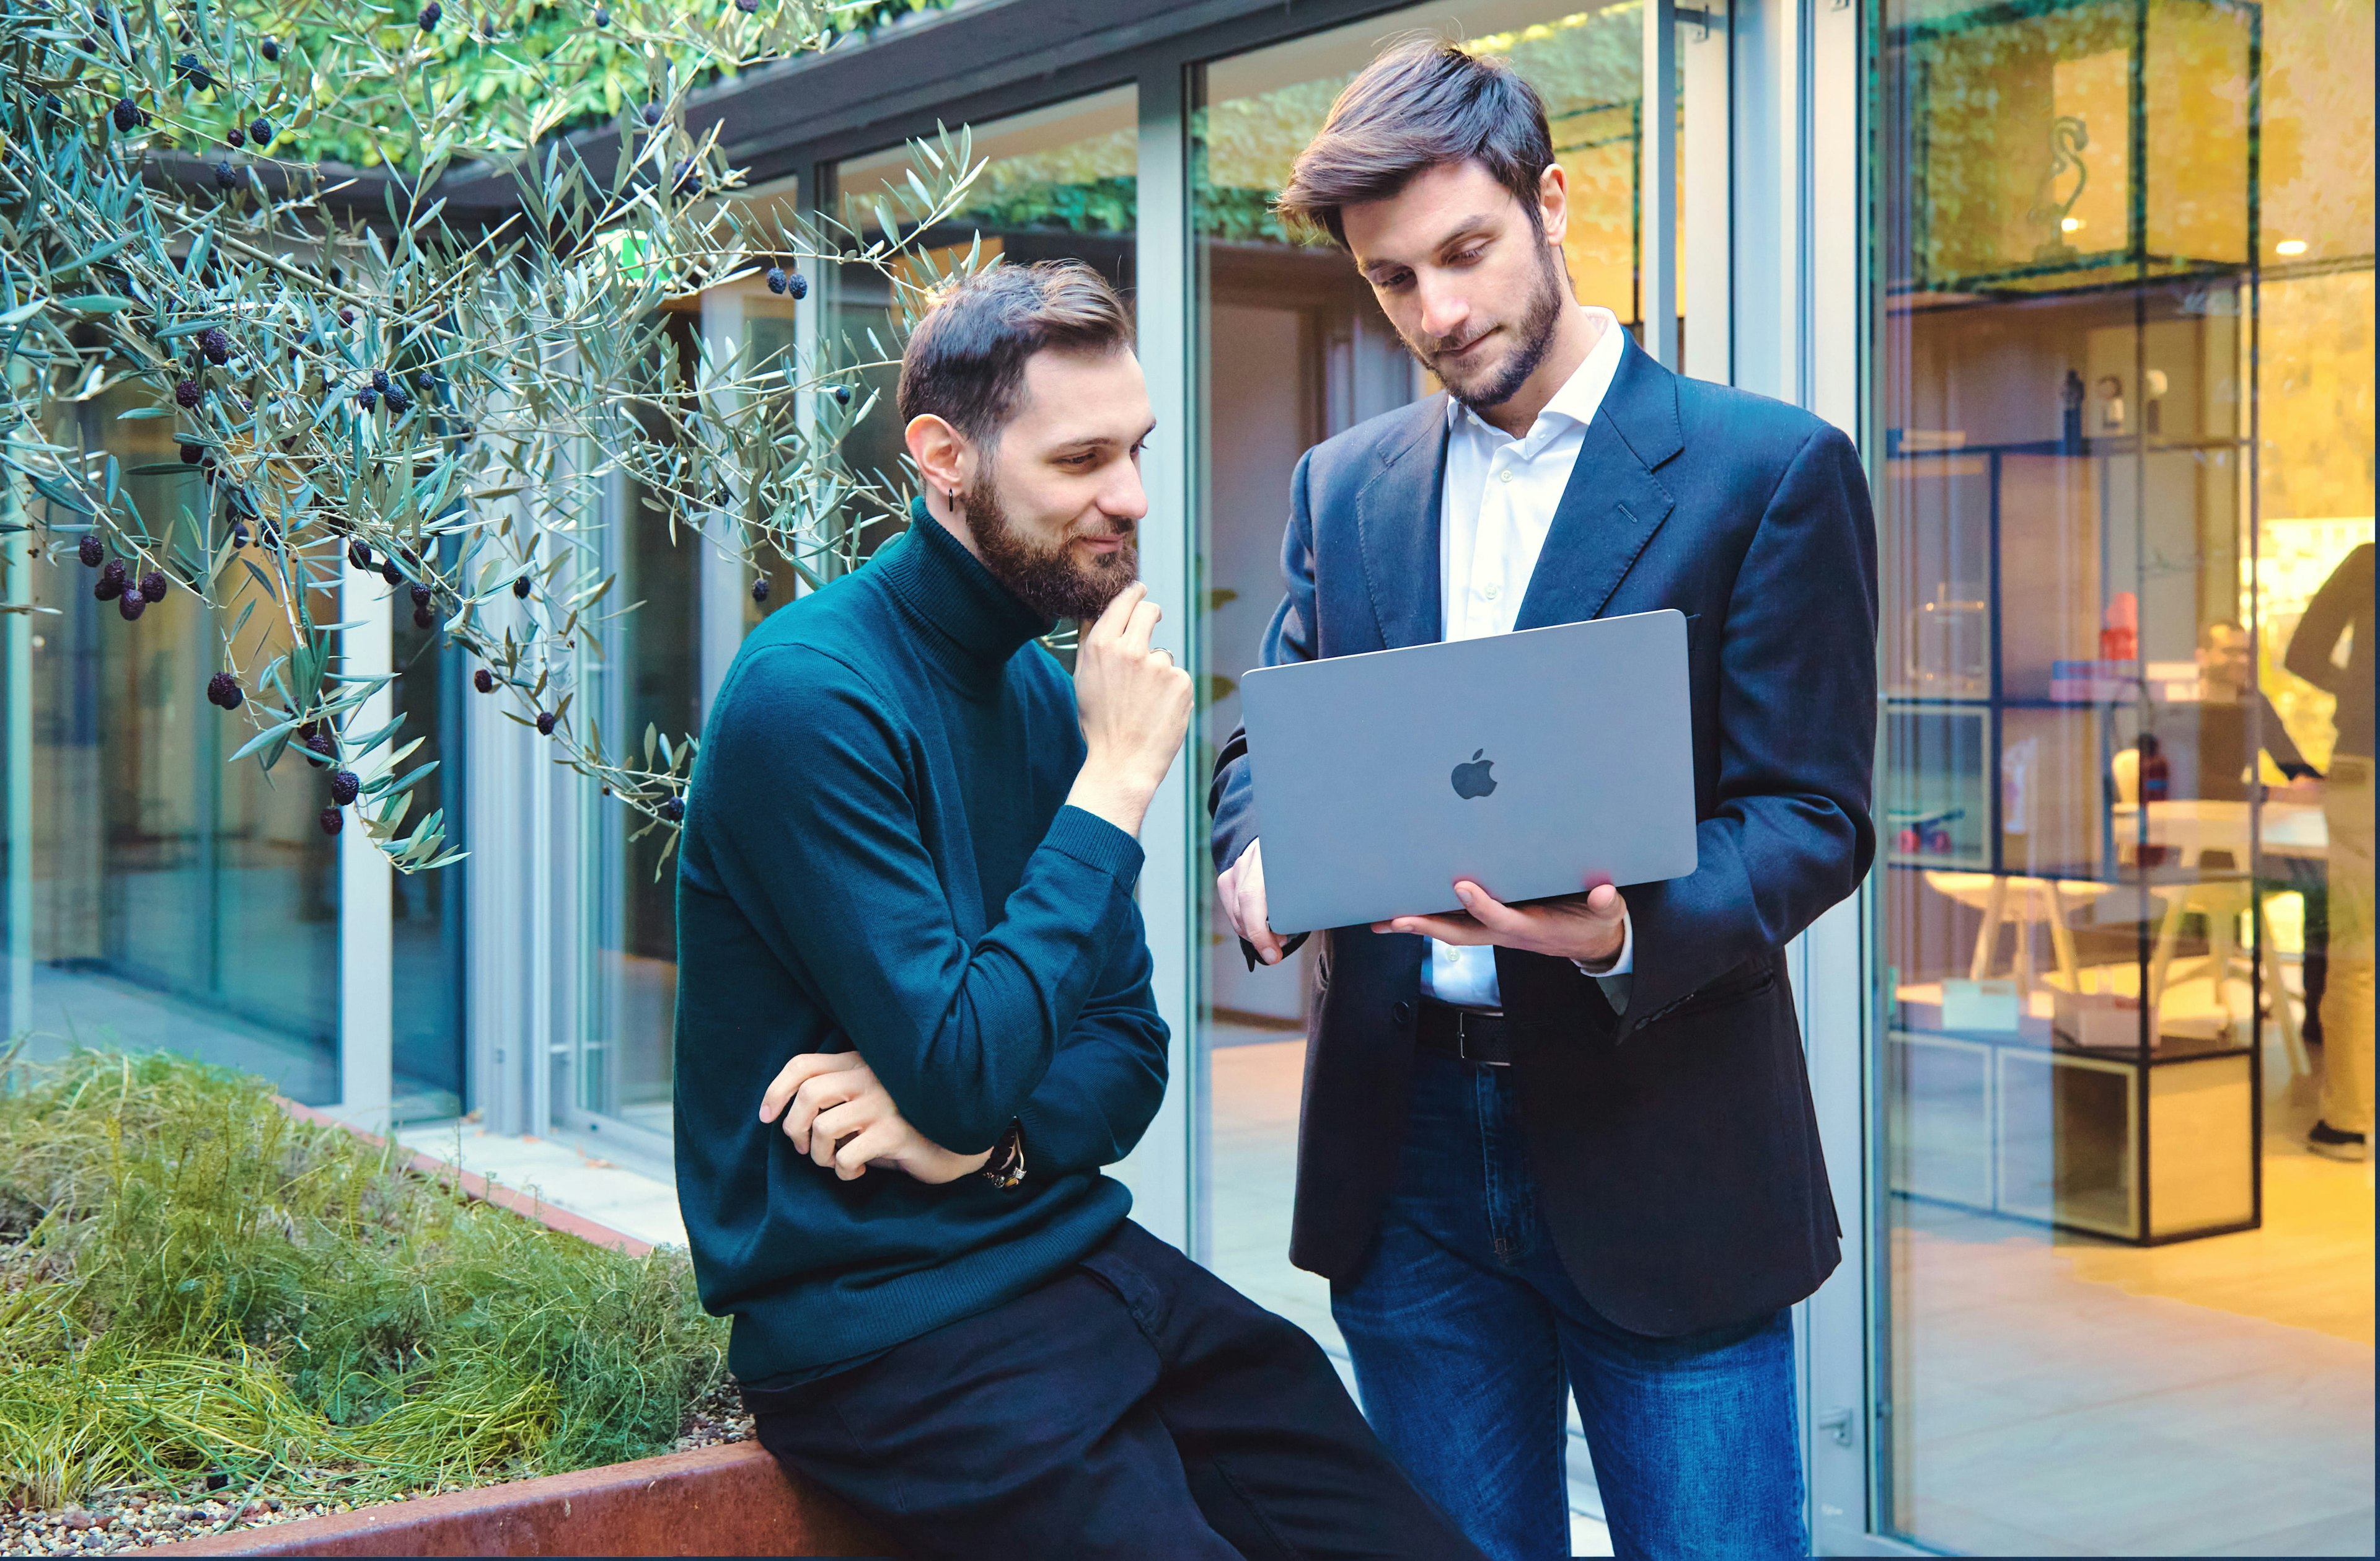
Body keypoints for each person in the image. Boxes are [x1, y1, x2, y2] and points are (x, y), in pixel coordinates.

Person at [673, 260, 1480, 1561]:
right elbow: (962, 1061)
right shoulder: (811, 698)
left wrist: (979, 1143)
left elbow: (1125, 1048)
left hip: (1066, 1251)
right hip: (888, 1334)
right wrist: (1114, 785)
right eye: (1083, 458)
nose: (1133, 497)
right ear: (943, 455)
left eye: (1139, 449)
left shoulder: (1044, 692)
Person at [1209, 40, 1877, 1561]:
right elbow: (1267, 746)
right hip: (1405, 1147)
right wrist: (1258, 860)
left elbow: (1811, 812)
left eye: (1465, 251)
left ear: (1553, 202)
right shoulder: (1341, 483)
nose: (1437, 312)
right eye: (1392, 281)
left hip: (1662, 1136)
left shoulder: (1765, 469)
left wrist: (1613, 929)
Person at [2286, 542, 2374, 1161]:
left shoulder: (2369, 562)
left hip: (2363, 766)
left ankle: (2346, 1123)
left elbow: (2302, 653)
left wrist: (2359, 688)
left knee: (2357, 955)